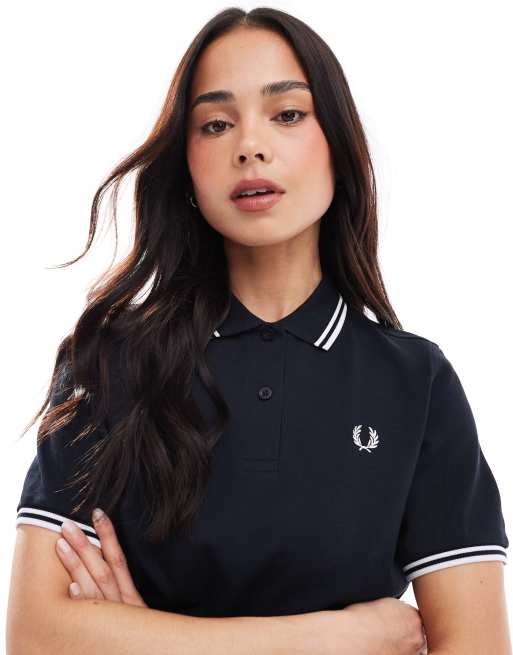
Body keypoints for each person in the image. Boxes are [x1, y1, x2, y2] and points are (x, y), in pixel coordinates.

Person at [7, 7, 510, 655]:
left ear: (339, 147)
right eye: (215, 124)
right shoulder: (108, 362)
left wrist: (139, 638)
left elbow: (474, 645)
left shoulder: (416, 382)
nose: (249, 145)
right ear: (187, 165)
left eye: (287, 114)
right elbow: (35, 635)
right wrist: (333, 638)